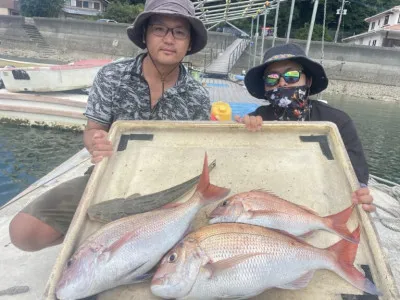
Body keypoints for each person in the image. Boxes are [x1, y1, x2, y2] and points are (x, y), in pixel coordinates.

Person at [9, 0, 210, 251]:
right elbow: (94, 128)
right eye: (159, 29)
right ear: (145, 35)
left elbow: (196, 152)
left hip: (165, 183)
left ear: (189, 43)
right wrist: (96, 142)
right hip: (110, 176)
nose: (169, 39)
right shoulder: (112, 76)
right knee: (24, 233)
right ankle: (93, 235)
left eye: (179, 32)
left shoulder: (198, 96)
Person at [235, 43, 375, 213]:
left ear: (307, 80)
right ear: (265, 86)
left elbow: (356, 175)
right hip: (273, 199)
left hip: (322, 200)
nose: (282, 83)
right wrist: (242, 134)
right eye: (272, 78)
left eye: (292, 75)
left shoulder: (337, 122)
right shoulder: (258, 118)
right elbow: (244, 165)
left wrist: (359, 195)